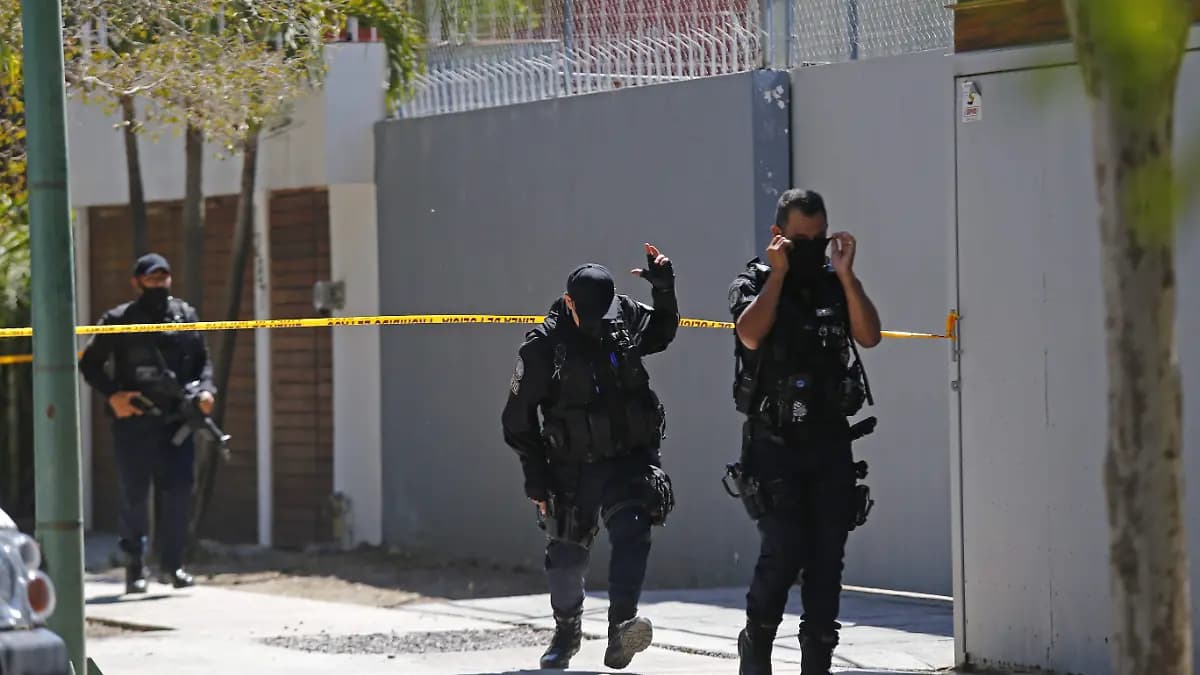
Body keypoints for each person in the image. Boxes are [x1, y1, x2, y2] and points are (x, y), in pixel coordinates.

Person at [501, 244, 680, 671]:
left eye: (605, 313)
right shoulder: (544, 348)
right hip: (571, 467)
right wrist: (536, 482)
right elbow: (517, 420)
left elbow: (662, 333)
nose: (600, 324)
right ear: (569, 304)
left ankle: (622, 628)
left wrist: (665, 290)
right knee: (566, 558)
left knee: (633, 530)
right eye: (590, 316)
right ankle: (567, 630)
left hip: (626, 458)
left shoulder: (623, 316)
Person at [727, 189, 882, 675]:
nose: (812, 248)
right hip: (774, 445)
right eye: (801, 240)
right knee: (784, 549)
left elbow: (869, 335)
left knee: (827, 557)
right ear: (778, 236)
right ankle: (756, 648)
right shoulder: (753, 280)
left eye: (820, 238)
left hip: (830, 440)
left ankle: (818, 661)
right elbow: (750, 333)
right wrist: (778, 275)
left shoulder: (834, 283)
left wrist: (848, 275)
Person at [79, 253, 215, 594]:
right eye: (152, 278)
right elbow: (90, 365)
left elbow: (203, 363)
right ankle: (134, 568)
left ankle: (172, 566)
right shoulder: (119, 319)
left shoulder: (185, 317)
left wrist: (205, 393)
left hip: (177, 422)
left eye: (163, 277)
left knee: (178, 494)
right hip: (135, 422)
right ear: (137, 282)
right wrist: (114, 396)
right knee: (135, 496)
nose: (159, 283)